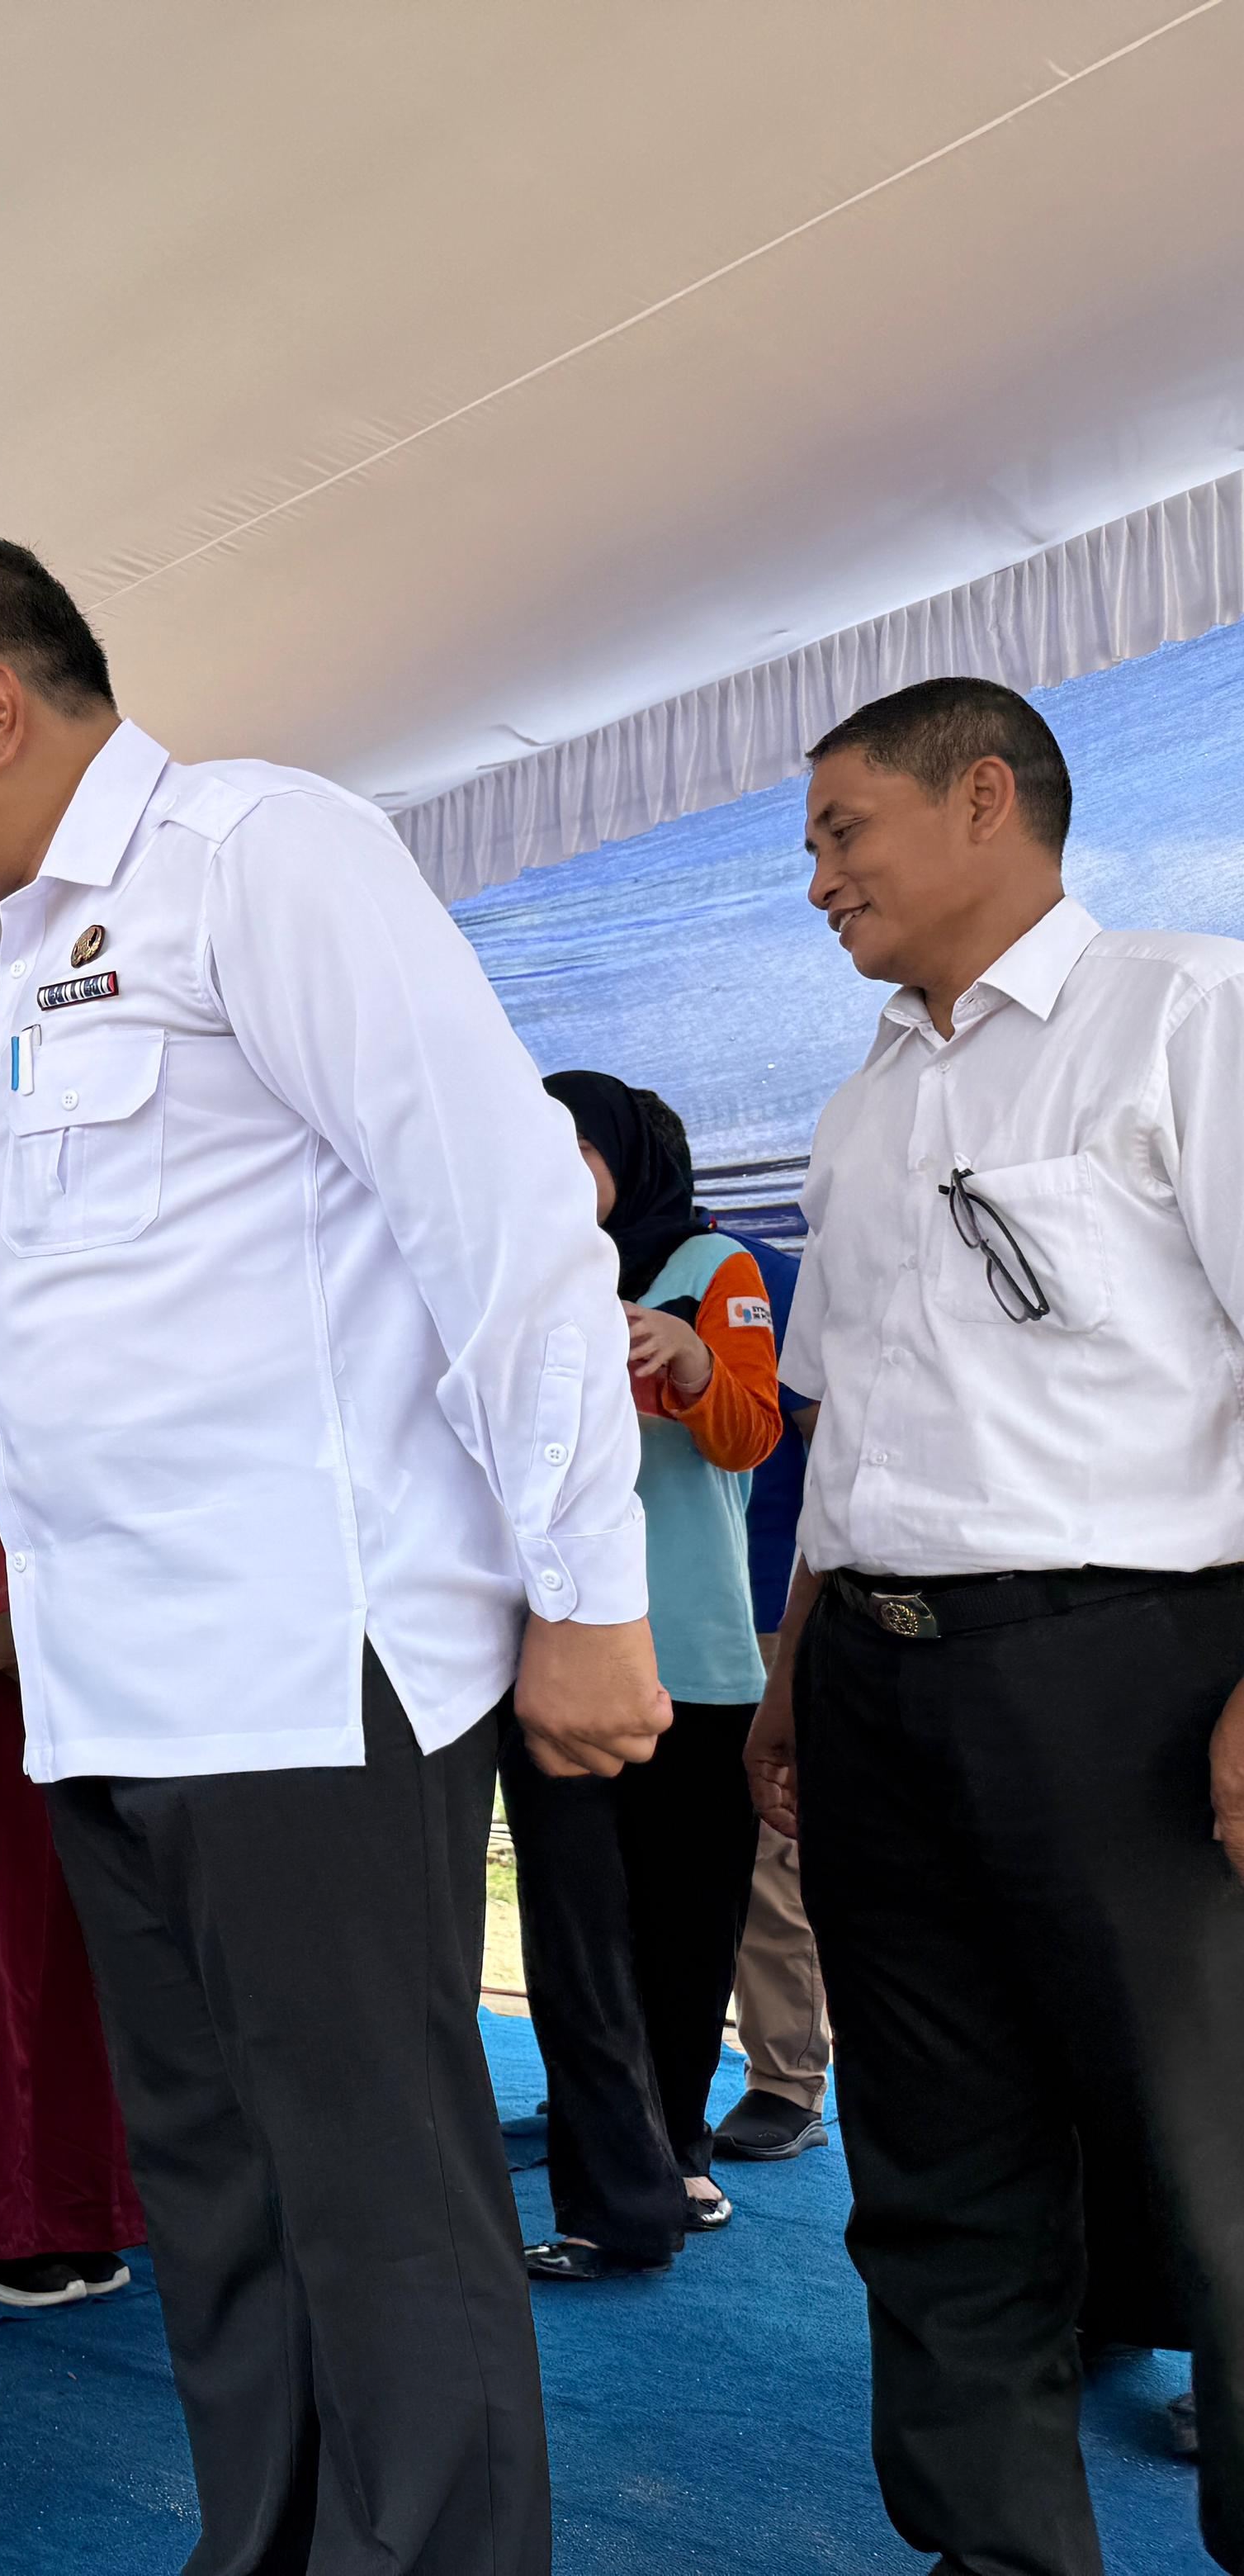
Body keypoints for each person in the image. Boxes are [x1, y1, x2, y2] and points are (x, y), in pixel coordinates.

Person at [0, 536, 670, 2576]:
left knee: (374, 2199)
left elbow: (503, 1215)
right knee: (217, 2199)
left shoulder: (259, 853)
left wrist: (586, 1590)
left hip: (307, 1664)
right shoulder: (25, 977)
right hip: (120, 1691)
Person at [749, 675, 1244, 2574]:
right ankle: (994, 2547)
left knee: (1212, 2152)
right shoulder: (862, 1100)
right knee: (936, 2158)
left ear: (984, 802)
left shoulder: (1180, 1014)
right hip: (876, 1672)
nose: (815, 879)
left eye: (838, 831)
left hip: (1131, 1661)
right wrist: (796, 1671)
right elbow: (844, 1425)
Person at [502, 1073, 785, 2279]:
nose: (551, 1165)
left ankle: (681, 2153)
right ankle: (607, 2202)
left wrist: (685, 1364)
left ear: (630, 1152)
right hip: (551, 1653)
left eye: (575, 1144)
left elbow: (754, 1434)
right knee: (573, 1934)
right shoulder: (512, 1277)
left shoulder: (713, 1269)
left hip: (698, 1658)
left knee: (686, 1927)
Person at [0, 1237, 143, 2308]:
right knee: (4, 1942)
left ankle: (89, 2202)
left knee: (94, 1937)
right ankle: (7, 2215)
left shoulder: (93, 1261)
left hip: (103, 1672)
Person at [711, 1223, 833, 2166]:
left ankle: (785, 2079)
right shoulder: (573, 1265)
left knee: (767, 1858)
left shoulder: (769, 1278)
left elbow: (824, 1453)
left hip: (759, 1608)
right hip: (617, 1619)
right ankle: (624, 2073)